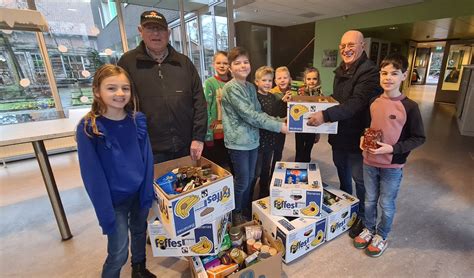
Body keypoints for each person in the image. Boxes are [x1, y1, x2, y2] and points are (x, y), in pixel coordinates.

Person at [76, 65, 155, 278]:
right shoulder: (89, 127)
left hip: (138, 193)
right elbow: (91, 174)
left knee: (139, 233)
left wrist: (147, 190)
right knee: (119, 251)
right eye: (112, 88)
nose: (120, 94)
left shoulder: (137, 120)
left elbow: (147, 158)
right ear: (96, 91)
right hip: (114, 201)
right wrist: (104, 209)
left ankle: (139, 269)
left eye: (125, 88)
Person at [307, 30, 383, 238]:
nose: (346, 49)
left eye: (351, 45)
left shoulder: (369, 72)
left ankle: (364, 218)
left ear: (362, 46)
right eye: (343, 46)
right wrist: (320, 102)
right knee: (342, 170)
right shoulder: (341, 70)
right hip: (339, 133)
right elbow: (338, 98)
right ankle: (348, 207)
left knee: (360, 179)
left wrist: (326, 114)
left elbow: (356, 103)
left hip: (357, 135)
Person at [354, 54, 425, 257]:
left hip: (392, 166)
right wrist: (362, 138)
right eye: (384, 73)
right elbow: (367, 127)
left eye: (394, 73)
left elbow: (418, 138)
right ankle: (369, 229)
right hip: (369, 161)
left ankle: (382, 235)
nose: (388, 78)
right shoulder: (373, 101)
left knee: (386, 202)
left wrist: (392, 149)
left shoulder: (410, 107)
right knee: (369, 199)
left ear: (404, 76)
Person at [118, 10, 207, 164]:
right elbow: (121, 104)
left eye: (160, 29)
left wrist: (198, 138)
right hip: (149, 148)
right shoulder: (128, 63)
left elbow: (199, 102)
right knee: (155, 187)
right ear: (141, 31)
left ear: (169, 32)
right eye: (150, 28)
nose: (155, 33)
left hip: (186, 146)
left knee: (186, 185)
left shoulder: (184, 63)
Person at [221, 47, 288, 225]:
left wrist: (280, 120)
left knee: (251, 178)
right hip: (238, 143)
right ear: (230, 68)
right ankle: (235, 213)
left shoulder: (250, 87)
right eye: (237, 63)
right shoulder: (231, 88)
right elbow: (249, 115)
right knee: (242, 181)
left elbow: (259, 112)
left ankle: (243, 210)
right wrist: (278, 126)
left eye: (245, 62)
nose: (243, 66)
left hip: (253, 140)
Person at [252, 66, 288, 199]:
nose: (267, 83)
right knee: (256, 171)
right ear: (257, 82)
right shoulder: (254, 97)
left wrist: (284, 104)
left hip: (270, 139)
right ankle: (250, 196)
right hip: (257, 140)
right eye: (264, 80)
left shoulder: (273, 97)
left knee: (266, 168)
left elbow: (277, 114)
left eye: (270, 80)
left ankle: (263, 193)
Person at [202, 51, 232, 170]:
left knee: (230, 163)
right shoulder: (209, 83)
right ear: (213, 64)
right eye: (218, 63)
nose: (222, 65)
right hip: (215, 133)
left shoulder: (233, 83)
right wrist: (208, 135)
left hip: (230, 132)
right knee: (217, 165)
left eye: (225, 63)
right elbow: (206, 109)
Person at [295, 67, 322, 162]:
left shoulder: (320, 93)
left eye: (314, 79)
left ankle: (306, 164)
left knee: (308, 148)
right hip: (300, 126)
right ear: (305, 80)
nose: (311, 81)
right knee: (299, 148)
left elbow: (320, 112)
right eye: (309, 79)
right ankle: (298, 164)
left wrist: (318, 133)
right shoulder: (301, 90)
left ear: (318, 80)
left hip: (313, 126)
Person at [269, 66, 293, 172]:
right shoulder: (271, 93)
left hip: (284, 126)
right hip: (273, 125)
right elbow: (270, 111)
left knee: (279, 150)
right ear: (275, 81)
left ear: (289, 79)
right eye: (279, 78)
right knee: (270, 151)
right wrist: (280, 101)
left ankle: (275, 171)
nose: (282, 80)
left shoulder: (293, 92)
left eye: (285, 78)